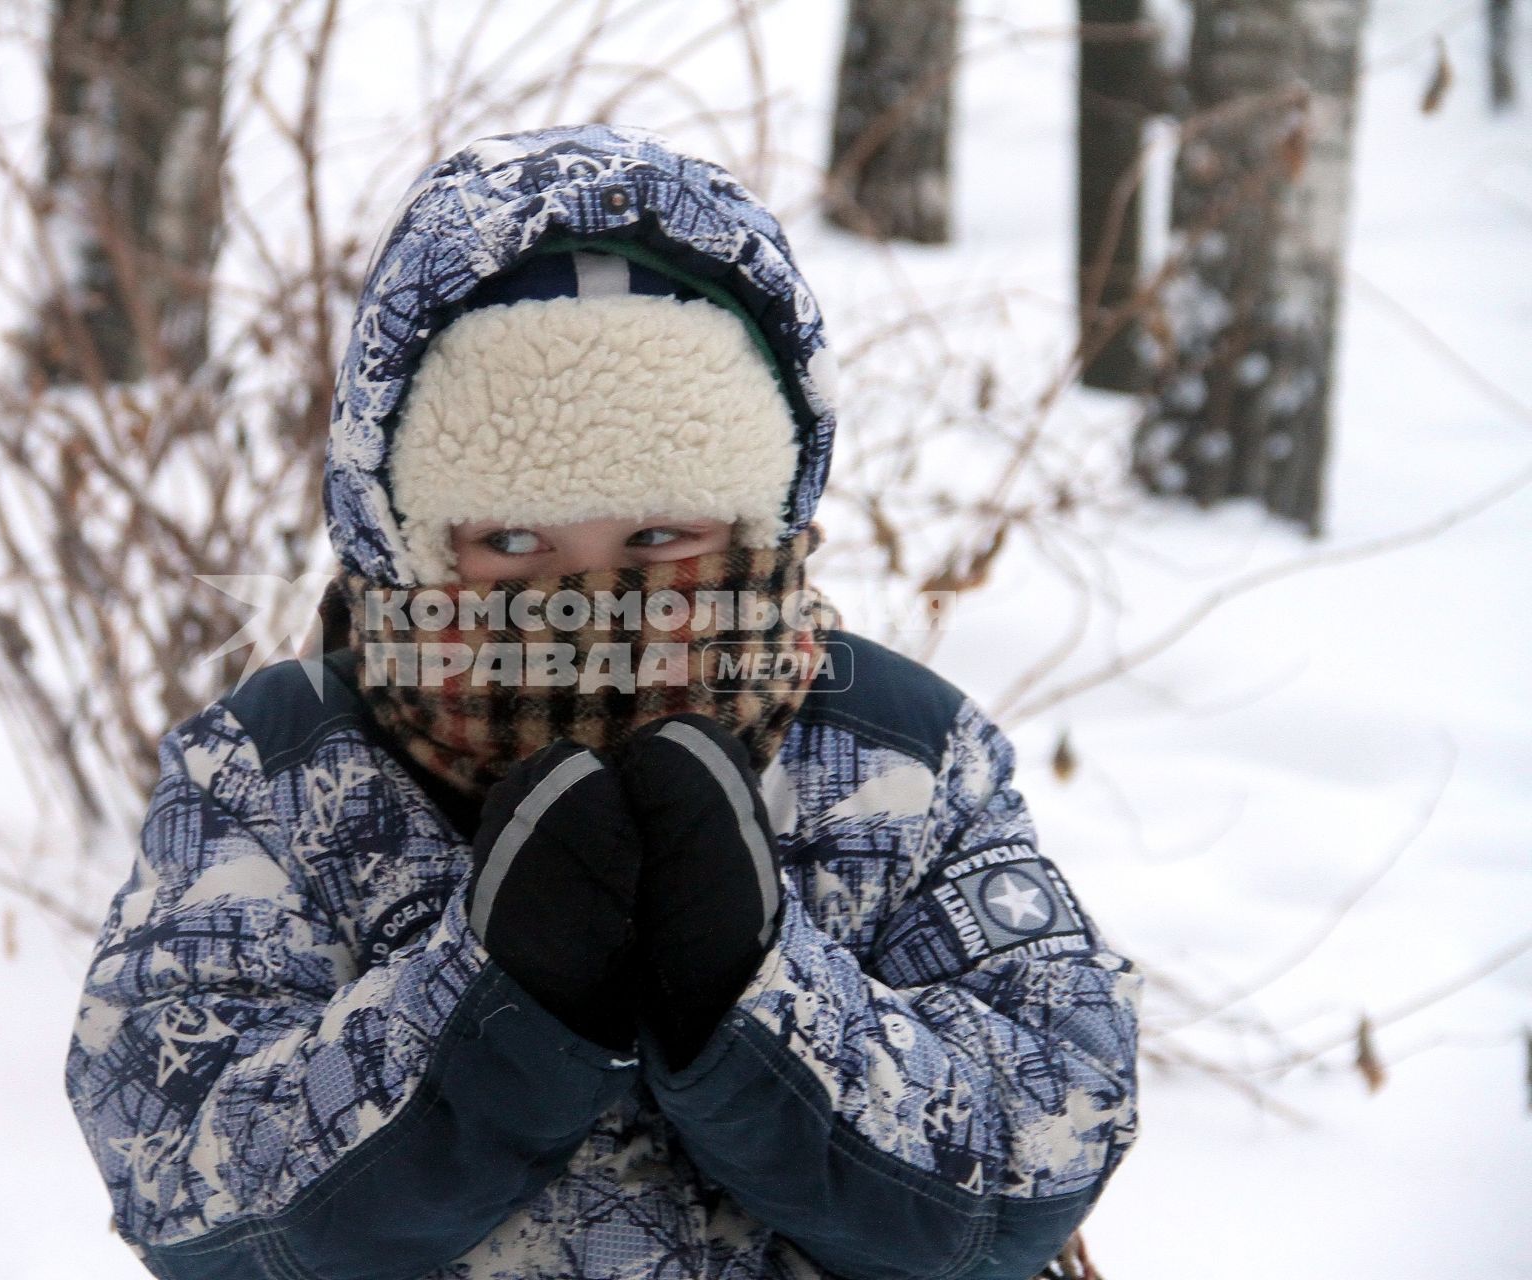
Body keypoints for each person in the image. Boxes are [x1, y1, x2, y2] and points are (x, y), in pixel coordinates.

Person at [65, 123, 1143, 1280]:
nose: (599, 599)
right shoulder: (279, 771)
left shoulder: (900, 760)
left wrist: (764, 997)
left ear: (758, 515)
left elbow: (1042, 1151)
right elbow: (182, 1181)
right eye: (514, 540)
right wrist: (478, 1007)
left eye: (663, 534)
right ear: (408, 537)